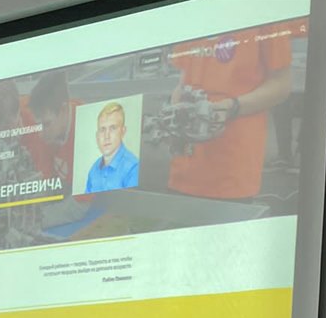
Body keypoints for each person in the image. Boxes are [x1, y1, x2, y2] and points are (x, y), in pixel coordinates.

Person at [167, 27, 293, 199]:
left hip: (231, 169)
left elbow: (282, 85)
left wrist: (232, 107)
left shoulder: (264, 16)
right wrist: (173, 118)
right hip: (184, 168)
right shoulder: (191, 17)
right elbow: (183, 82)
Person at [85, 102, 139, 193]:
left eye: (113, 128)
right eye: (102, 129)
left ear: (123, 132)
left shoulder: (133, 168)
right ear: (97, 135)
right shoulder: (93, 170)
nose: (106, 136)